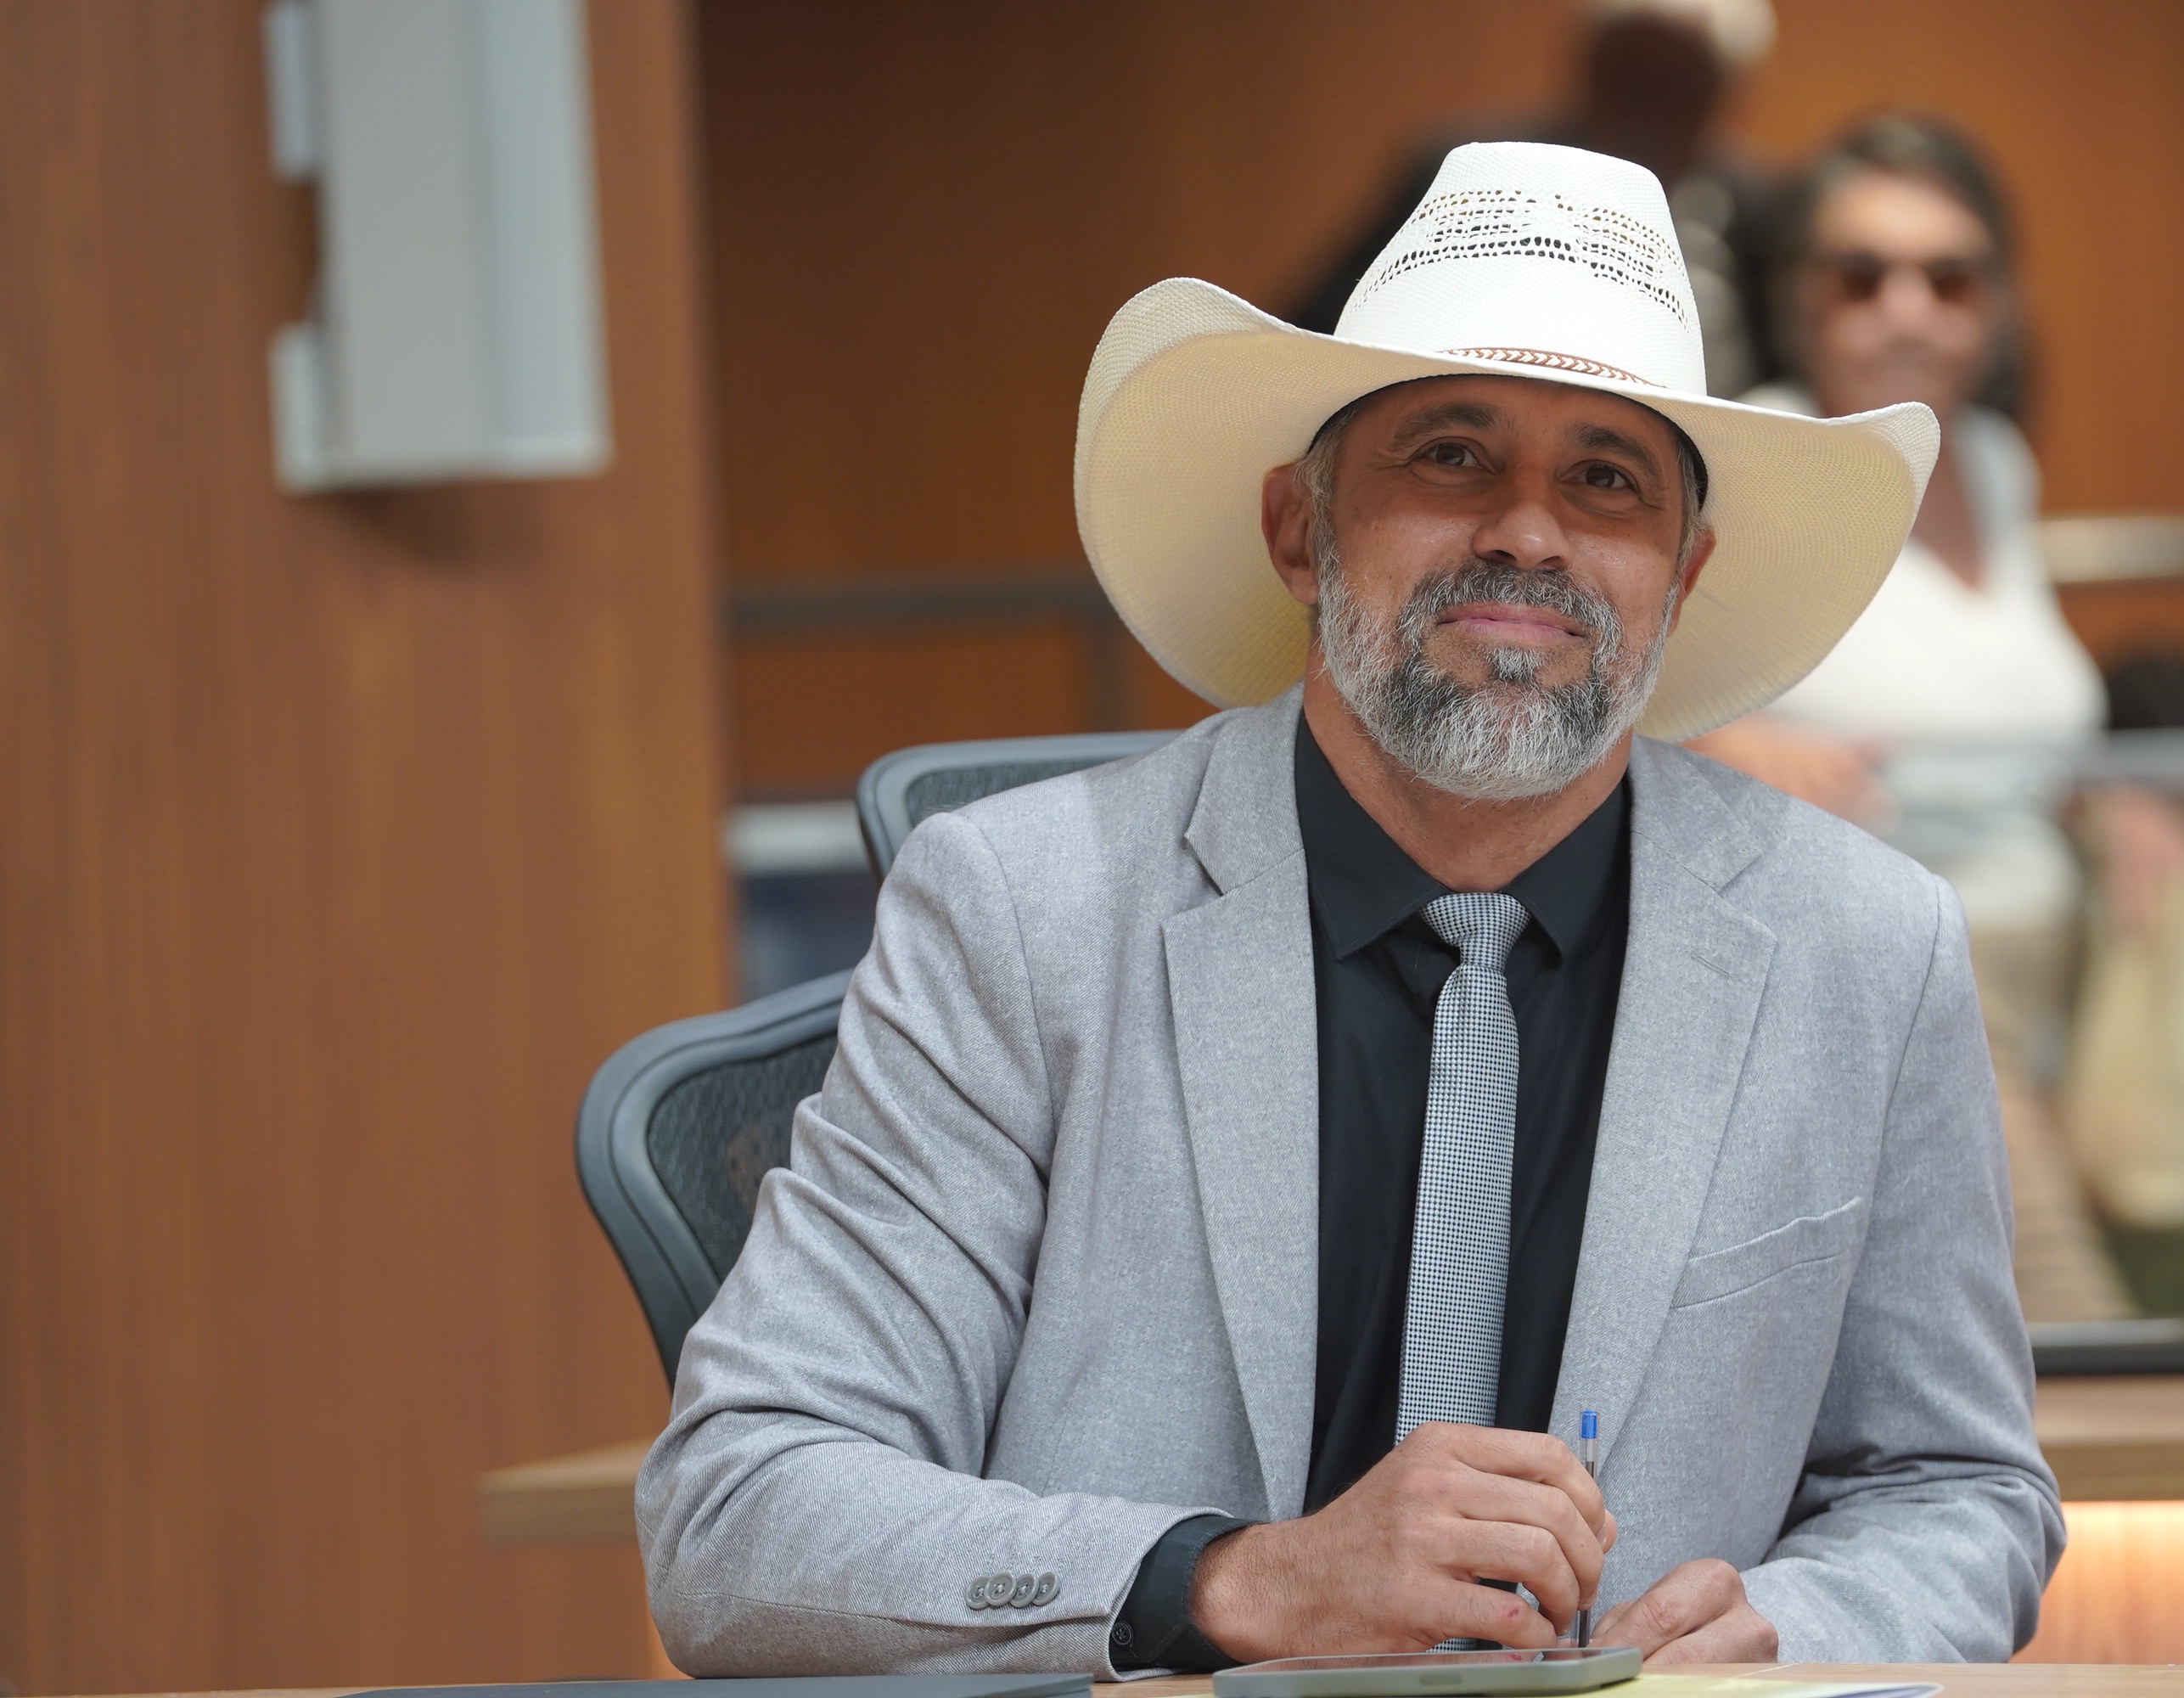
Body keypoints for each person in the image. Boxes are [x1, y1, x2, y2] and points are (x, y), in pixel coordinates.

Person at [638, 142, 2061, 1678]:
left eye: (1606, 481)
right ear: (1297, 533)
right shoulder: (1020, 912)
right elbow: (741, 1514)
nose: (1528, 534)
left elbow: (1958, 1491)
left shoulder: (1868, 949)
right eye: (1450, 456)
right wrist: (1234, 1582)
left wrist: (1794, 1636)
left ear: (1683, 572)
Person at [1689, 115, 2130, 1323]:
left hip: (2068, 955)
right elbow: (1620, 706)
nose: (1907, 310)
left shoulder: (1992, 460)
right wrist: (1718, 743)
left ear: (1998, 302)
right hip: (1882, 972)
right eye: (1860, 274)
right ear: (1797, 297)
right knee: (2071, 1327)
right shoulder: (1755, 460)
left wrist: (2119, 813)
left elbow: (2017, 720)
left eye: (1949, 277)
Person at [1289, 0, 1782, 398]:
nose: (1653, 102)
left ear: (1725, 93)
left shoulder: (1758, 206)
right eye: (1634, 71)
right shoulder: (1471, 173)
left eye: (1681, 81)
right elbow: (1323, 323)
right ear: (1591, 67)